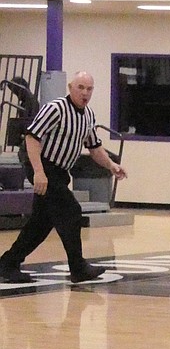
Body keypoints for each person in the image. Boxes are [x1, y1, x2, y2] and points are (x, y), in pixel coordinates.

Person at [0, 71, 127, 285]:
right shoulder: (55, 108)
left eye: (89, 89)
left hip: (59, 171)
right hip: (39, 162)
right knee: (71, 211)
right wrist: (39, 172)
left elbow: (95, 148)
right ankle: (78, 268)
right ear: (70, 87)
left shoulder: (88, 116)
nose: (85, 93)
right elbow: (32, 138)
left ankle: (7, 264)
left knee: (40, 224)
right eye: (81, 87)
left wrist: (111, 165)